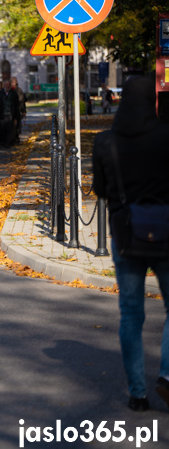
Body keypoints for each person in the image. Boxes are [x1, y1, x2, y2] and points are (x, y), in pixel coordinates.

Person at [92, 76, 169, 412]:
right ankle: (167, 375)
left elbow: (100, 189)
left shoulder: (104, 141)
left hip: (124, 235)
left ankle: (137, 393)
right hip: (167, 233)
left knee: (131, 317)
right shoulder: (166, 136)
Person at [0, 79, 21, 148]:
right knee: (3, 128)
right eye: (5, 85)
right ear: (3, 86)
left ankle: (8, 142)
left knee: (10, 129)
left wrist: (16, 116)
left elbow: (16, 106)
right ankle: (3, 141)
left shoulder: (14, 94)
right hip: (2, 114)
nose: (7, 86)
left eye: (8, 85)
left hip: (10, 114)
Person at [11, 76, 27, 142]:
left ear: (16, 82)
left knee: (17, 125)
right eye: (11, 82)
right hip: (10, 110)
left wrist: (23, 111)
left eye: (13, 82)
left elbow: (22, 101)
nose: (12, 83)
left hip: (17, 109)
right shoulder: (9, 90)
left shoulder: (19, 90)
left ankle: (16, 137)